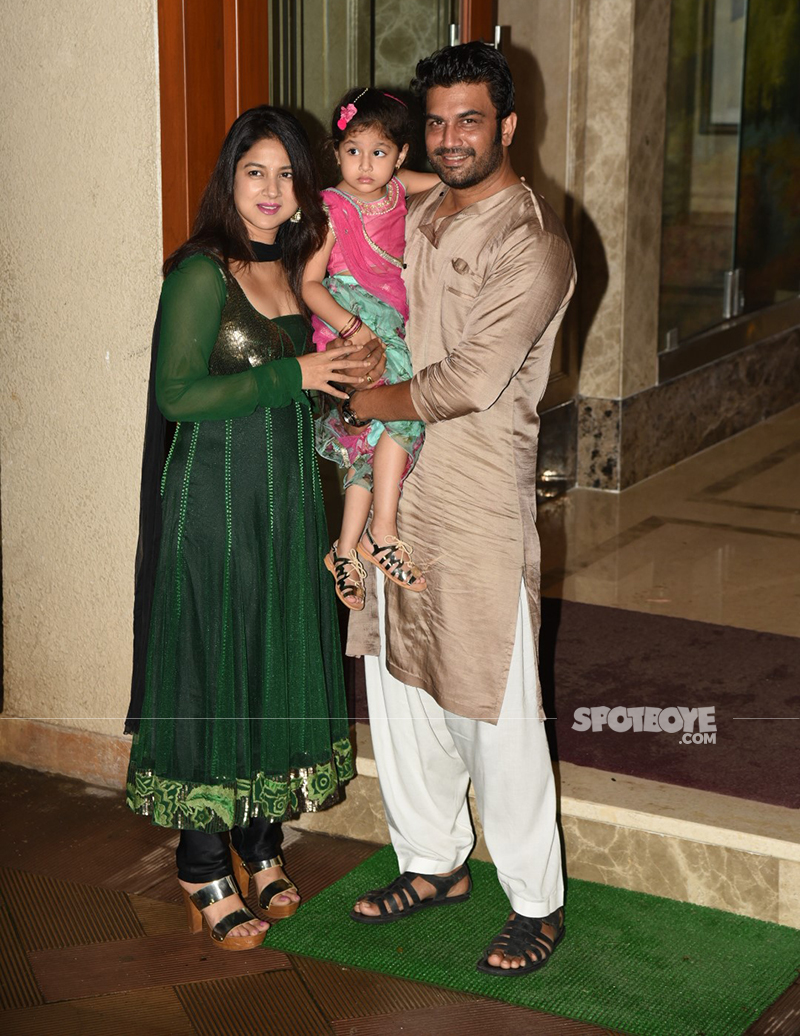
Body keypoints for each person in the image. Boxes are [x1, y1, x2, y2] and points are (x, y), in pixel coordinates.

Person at [125, 106, 382, 951]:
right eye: (254, 172)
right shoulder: (201, 273)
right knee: (216, 660)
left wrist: (352, 367)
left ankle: (259, 843)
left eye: (286, 174)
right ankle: (202, 862)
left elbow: (329, 381)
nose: (271, 191)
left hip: (286, 500)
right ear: (228, 180)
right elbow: (178, 397)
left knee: (273, 654)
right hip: (214, 506)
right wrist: (296, 371)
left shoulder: (302, 272)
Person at [344, 44, 576, 975]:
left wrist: (366, 404)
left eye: (468, 120)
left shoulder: (536, 244)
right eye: (434, 123)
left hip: (476, 496)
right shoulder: (424, 210)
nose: (447, 139)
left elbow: (472, 380)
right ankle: (432, 861)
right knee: (401, 684)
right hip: (404, 490)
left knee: (496, 707)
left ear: (508, 125)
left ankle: (537, 900)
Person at [302, 88, 439, 612]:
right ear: (336, 151)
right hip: (352, 322)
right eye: (353, 150)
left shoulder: (400, 189)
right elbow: (311, 284)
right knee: (407, 414)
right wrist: (354, 327)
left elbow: (453, 183)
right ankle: (381, 532)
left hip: (389, 322)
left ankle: (344, 548)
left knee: (377, 436)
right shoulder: (331, 208)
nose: (365, 165)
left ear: (401, 155)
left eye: (379, 152)